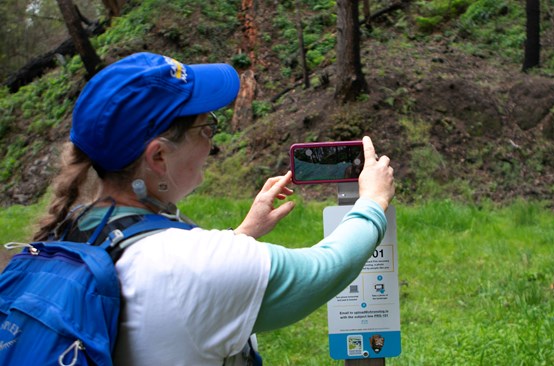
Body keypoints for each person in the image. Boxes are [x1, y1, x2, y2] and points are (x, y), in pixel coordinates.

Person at [33, 52, 395, 365]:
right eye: (205, 128)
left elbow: (179, 289)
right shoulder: (192, 266)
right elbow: (326, 270)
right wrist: (372, 203)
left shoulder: (75, 229)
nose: (212, 143)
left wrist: (243, 235)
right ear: (158, 155)